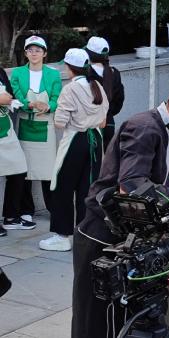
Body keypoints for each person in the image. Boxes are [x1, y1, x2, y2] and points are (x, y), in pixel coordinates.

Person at [71, 74, 169, 338]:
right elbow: (131, 185)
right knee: (97, 325)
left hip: (129, 240)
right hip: (100, 237)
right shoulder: (144, 127)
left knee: (129, 320)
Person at [38, 49, 108, 251]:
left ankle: (62, 236)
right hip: (95, 140)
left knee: (62, 188)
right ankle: (85, 234)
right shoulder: (97, 86)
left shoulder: (70, 89)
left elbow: (60, 122)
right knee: (88, 189)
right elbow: (103, 122)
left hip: (75, 140)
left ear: (70, 68)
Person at [10, 35, 62, 228]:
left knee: (49, 171)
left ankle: (54, 209)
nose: (34, 53)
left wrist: (48, 107)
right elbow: (14, 96)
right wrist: (29, 103)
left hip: (46, 125)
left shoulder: (53, 75)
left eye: (38, 50)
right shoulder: (17, 74)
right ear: (25, 53)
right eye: (30, 50)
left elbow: (58, 98)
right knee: (24, 171)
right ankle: (26, 211)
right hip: (25, 124)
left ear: (45, 53)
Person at [1, 66, 28, 236]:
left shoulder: (0, 71)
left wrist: (7, 99)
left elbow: (9, 95)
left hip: (6, 130)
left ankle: (11, 217)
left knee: (19, 169)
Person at [84, 36, 125, 150]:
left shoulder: (86, 73)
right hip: (109, 123)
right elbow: (119, 100)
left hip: (89, 125)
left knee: (92, 163)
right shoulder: (114, 73)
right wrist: (109, 113)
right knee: (107, 162)